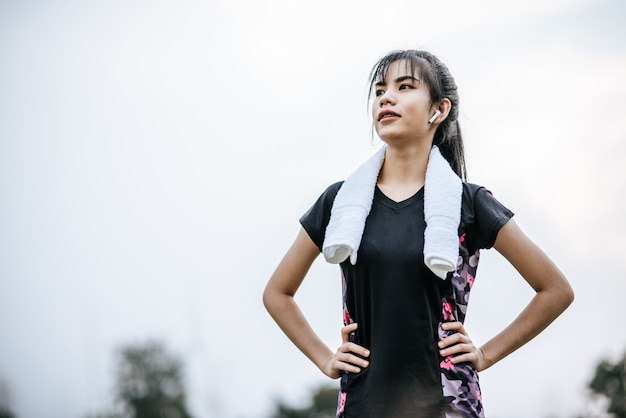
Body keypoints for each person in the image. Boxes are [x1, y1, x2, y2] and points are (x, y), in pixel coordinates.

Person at [262, 49, 574, 418]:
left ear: (438, 111)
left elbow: (555, 290)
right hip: (363, 404)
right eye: (380, 90)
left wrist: (485, 354)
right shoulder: (340, 202)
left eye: (404, 86)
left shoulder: (468, 203)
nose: (386, 97)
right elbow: (277, 293)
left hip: (445, 405)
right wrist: (325, 359)